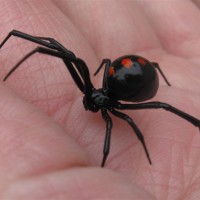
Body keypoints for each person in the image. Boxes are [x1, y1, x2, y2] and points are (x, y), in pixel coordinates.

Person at [0, 0, 200, 199]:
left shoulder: (111, 109)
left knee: (162, 106)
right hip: (127, 75)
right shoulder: (98, 91)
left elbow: (126, 122)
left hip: (139, 84)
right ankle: (14, 36)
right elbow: (66, 53)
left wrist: (139, 147)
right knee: (65, 53)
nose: (90, 100)